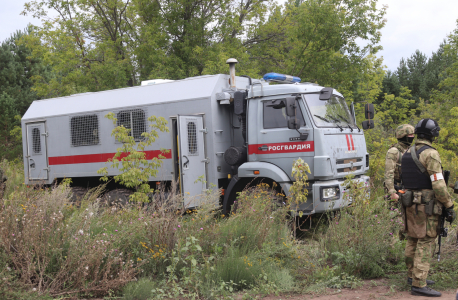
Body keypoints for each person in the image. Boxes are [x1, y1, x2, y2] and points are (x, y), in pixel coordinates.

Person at [401, 118, 456, 297]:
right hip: (426, 206)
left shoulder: (407, 152)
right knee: (426, 240)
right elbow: (439, 186)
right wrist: (449, 205)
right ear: (433, 134)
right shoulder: (430, 154)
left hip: (409, 203)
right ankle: (419, 283)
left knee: (412, 239)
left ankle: (412, 276)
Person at [384, 124, 415, 200]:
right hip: (396, 189)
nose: (412, 136)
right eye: (410, 135)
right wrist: (392, 192)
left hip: (409, 189)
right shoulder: (394, 152)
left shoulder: (412, 150)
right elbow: (388, 173)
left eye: (413, 134)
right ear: (403, 136)